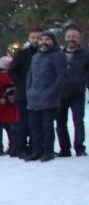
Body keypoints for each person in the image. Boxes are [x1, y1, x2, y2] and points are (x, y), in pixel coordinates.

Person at [24, 30, 66, 162]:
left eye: (47, 40)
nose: (44, 42)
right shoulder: (35, 57)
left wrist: (52, 91)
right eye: (42, 40)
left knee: (46, 126)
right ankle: (37, 151)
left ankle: (48, 151)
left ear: (53, 42)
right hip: (34, 98)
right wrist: (28, 90)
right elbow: (30, 75)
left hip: (49, 99)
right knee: (34, 126)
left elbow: (62, 75)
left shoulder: (58, 56)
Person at [6, 28, 43, 158]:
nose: (36, 40)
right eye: (33, 37)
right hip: (23, 94)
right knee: (23, 122)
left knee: (37, 123)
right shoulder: (22, 54)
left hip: (40, 95)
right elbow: (12, 71)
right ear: (29, 39)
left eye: (39, 38)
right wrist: (22, 84)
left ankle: (35, 147)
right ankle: (21, 148)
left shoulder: (46, 54)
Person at [56, 25, 88, 157]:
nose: (71, 39)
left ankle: (79, 148)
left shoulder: (86, 55)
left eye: (74, 37)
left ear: (79, 39)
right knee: (60, 122)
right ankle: (65, 149)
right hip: (60, 93)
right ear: (65, 38)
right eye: (69, 36)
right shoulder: (59, 55)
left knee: (78, 121)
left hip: (77, 92)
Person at [0, 57, 18, 156]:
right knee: (11, 127)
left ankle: (0, 147)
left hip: (1, 105)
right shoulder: (14, 76)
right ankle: (12, 145)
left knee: (0, 127)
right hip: (12, 105)